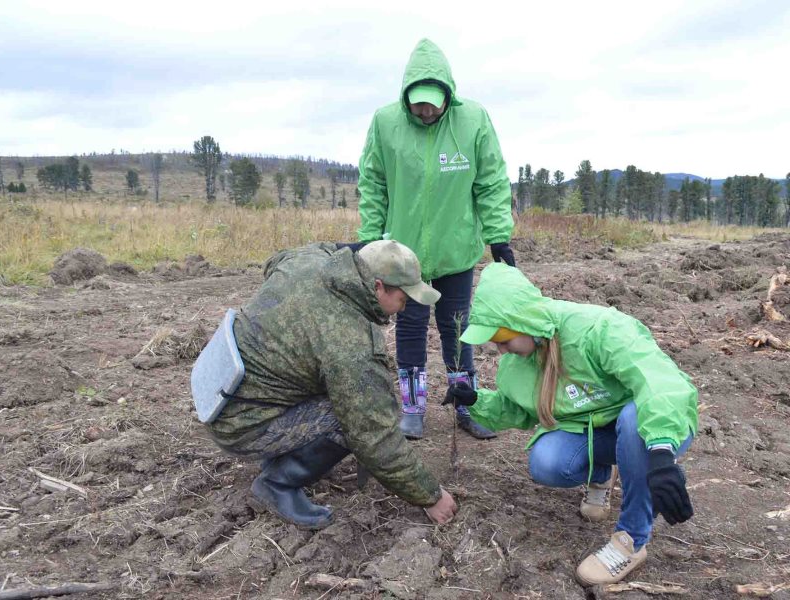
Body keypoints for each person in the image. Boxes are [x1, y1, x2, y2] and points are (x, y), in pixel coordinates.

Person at [443, 263, 697, 586]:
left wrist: (660, 454)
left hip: (656, 426)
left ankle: (632, 539)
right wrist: (476, 401)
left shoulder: (597, 330)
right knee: (547, 462)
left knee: (633, 421)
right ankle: (603, 475)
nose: (499, 349)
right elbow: (517, 409)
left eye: (502, 338)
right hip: (599, 433)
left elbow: (658, 381)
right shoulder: (517, 363)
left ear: (523, 321)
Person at [200, 240, 457, 529]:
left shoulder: (308, 259)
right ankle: (277, 483)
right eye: (403, 296)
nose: (406, 305)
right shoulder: (350, 343)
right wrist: (431, 496)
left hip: (223, 390)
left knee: (337, 387)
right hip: (240, 423)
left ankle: (283, 451)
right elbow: (374, 436)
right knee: (349, 415)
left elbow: (278, 258)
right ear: (377, 286)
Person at [355, 38, 515, 441]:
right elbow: (373, 184)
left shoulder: (473, 121)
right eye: (417, 102)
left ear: (448, 95)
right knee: (409, 329)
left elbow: (491, 181)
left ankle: (466, 404)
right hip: (403, 257)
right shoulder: (385, 122)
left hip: (456, 251)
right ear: (406, 95)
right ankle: (412, 409)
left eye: (432, 102)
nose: (425, 110)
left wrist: (498, 237)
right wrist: (369, 242)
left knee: (458, 329)